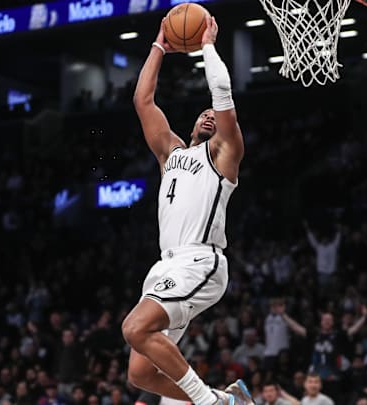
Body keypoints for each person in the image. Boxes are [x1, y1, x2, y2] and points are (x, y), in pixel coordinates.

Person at [121, 12, 250, 405]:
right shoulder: (171, 153)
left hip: (200, 260)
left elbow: (223, 93)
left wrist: (207, 44)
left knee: (134, 328)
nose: (211, 115)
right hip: (165, 265)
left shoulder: (225, 154)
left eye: (217, 115)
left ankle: (209, 404)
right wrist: (160, 44)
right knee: (140, 373)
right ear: (193, 122)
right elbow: (143, 101)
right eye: (204, 113)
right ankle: (224, 400)